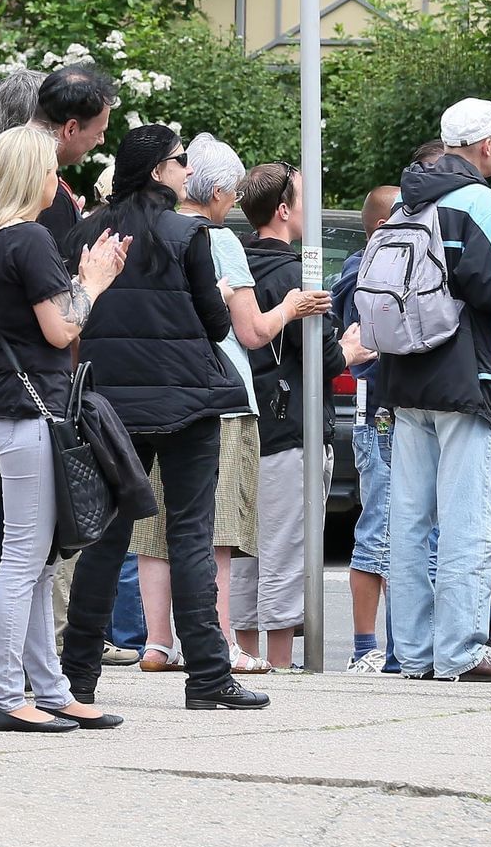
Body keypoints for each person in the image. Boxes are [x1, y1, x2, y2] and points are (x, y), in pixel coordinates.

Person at [58, 126, 272, 713]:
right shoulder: (189, 234)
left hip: (111, 404)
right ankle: (207, 675)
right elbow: (217, 323)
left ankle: (77, 677)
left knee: (106, 537)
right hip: (188, 401)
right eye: (180, 162)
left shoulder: (85, 231)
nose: (187, 171)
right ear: (158, 171)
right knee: (190, 534)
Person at [0, 66, 116, 696]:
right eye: (50, 170)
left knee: (31, 556)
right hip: (27, 404)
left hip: (9, 400)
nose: (59, 180)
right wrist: (94, 278)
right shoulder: (28, 241)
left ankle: (46, 691)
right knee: (26, 558)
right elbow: (59, 326)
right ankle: (5, 690)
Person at [158, 132, 310, 677]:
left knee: (166, 532)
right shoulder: (219, 241)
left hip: (169, 391)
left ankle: (167, 641)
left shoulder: (160, 232)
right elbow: (251, 332)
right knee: (223, 532)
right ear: (219, 190)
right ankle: (222, 642)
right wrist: (290, 308)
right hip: (227, 394)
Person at [380, 98, 491, 684]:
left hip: (404, 378)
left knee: (408, 519)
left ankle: (411, 653)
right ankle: (459, 649)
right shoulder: (479, 202)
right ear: (487, 145)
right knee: (472, 519)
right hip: (466, 378)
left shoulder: (405, 203)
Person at [235, 162, 370, 669]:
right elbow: (321, 357)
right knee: (287, 547)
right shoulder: (296, 276)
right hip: (289, 426)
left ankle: (246, 657)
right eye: (304, 197)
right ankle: (282, 664)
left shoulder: (236, 267)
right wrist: (350, 351)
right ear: (285, 210)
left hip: (244, 423)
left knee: (245, 545)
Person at [333, 183, 401, 672]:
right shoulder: (367, 271)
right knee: (378, 527)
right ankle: (364, 649)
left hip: (384, 411)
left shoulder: (361, 267)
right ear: (381, 225)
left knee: (402, 529)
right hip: (376, 411)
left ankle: (399, 647)